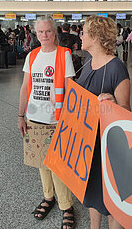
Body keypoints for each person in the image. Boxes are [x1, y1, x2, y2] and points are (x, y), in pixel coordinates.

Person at [18, 15, 76, 229]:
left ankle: (66, 205)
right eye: (40, 32)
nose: (44, 36)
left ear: (55, 32)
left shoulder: (64, 55)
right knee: (41, 163)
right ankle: (49, 197)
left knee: (58, 166)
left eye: (48, 31)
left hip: (57, 119)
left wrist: (71, 119)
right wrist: (20, 115)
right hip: (35, 118)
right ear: (36, 33)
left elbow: (70, 88)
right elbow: (25, 87)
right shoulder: (32, 56)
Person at [77, 15, 130, 229]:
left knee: (110, 199)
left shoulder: (116, 68)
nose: (81, 36)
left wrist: (114, 103)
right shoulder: (88, 63)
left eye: (84, 32)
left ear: (96, 37)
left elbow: (127, 110)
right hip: (89, 142)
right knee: (92, 193)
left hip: (107, 146)